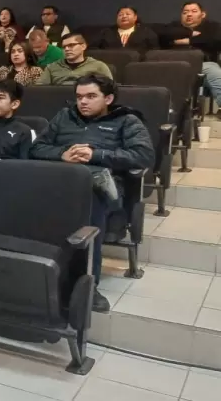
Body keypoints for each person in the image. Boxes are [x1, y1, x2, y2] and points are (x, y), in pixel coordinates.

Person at [30, 75, 155, 314]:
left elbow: (143, 156)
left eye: (90, 96)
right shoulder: (64, 116)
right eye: (79, 97)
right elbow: (37, 148)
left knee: (89, 203)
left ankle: (87, 283)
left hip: (102, 188)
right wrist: (62, 154)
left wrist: (95, 155)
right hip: (59, 182)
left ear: (108, 98)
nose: (83, 102)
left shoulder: (126, 120)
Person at [165, 2, 221, 107]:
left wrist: (186, 41)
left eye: (194, 11)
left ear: (202, 14)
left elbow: (215, 40)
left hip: (202, 65)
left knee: (213, 71)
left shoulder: (212, 27)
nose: (189, 14)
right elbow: (163, 36)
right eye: (185, 12)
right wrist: (189, 34)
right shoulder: (173, 27)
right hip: (174, 64)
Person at [38, 34, 112, 85]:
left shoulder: (99, 66)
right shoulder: (52, 67)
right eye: (64, 47)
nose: (66, 49)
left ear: (83, 46)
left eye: (71, 45)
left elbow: (110, 89)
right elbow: (39, 90)